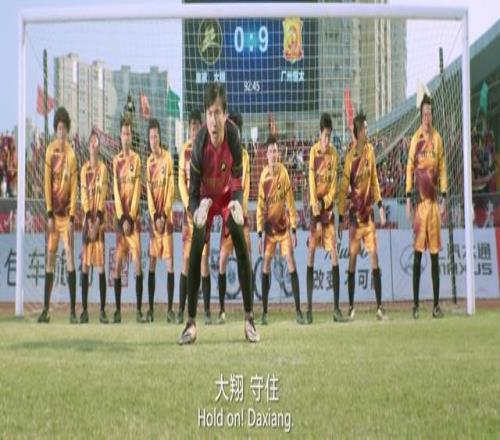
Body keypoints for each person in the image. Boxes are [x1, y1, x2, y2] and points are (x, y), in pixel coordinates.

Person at [177, 83, 259, 344]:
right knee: (195, 247)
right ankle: (190, 323)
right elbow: (191, 194)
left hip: (226, 199)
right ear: (206, 115)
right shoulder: (198, 143)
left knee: (241, 241)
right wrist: (196, 211)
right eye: (209, 113)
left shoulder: (233, 136)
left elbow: (237, 180)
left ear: (225, 115)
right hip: (205, 201)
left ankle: (249, 319)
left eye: (217, 113)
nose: (213, 120)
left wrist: (236, 203)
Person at [338, 111, 388, 321]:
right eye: (365, 128)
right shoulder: (350, 158)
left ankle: (379, 307)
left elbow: (374, 180)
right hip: (354, 219)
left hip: (369, 217)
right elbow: (343, 189)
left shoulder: (370, 152)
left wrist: (380, 205)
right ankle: (351, 307)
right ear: (358, 133)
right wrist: (340, 216)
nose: (368, 131)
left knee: (375, 259)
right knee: (352, 261)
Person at [405, 94, 447, 319]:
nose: (427, 116)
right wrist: (408, 197)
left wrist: (444, 197)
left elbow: (443, 168)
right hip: (420, 207)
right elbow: (409, 168)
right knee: (417, 256)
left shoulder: (438, 139)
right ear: (420, 115)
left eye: (430, 112)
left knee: (434, 257)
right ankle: (415, 305)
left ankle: (436, 306)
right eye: (425, 113)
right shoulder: (415, 139)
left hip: (433, 207)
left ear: (432, 115)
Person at [257, 135, 304, 325]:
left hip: (284, 230)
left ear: (279, 154)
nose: (274, 154)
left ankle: (298, 311)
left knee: (291, 263)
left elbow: (290, 202)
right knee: (266, 265)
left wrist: (294, 229)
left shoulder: (284, 173)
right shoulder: (263, 177)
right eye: (271, 151)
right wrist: (259, 235)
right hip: (269, 232)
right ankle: (264, 313)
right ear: (266, 155)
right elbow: (260, 207)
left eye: (276, 151)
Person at [38, 107, 78, 324]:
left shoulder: (71, 155)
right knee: (50, 258)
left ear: (68, 130)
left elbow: (74, 189)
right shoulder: (49, 151)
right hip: (54, 217)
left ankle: (72, 312)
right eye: (59, 128)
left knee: (70, 256)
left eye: (64, 129)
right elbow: (46, 184)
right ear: (55, 130)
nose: (61, 132)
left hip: (66, 218)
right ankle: (45, 310)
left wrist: (72, 218)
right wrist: (49, 213)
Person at [306, 113, 343, 324]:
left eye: (330, 136)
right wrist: (315, 204)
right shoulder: (313, 152)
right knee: (311, 253)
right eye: (325, 136)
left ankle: (336, 309)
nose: (327, 140)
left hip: (328, 210)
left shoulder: (334, 154)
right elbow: (311, 180)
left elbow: (334, 186)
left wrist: (325, 202)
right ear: (319, 134)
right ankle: (309, 309)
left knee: (334, 254)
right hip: (315, 210)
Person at [216, 112, 252, 324]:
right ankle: (221, 309)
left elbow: (244, 188)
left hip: (241, 217)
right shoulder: (222, 155)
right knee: (222, 261)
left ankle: (249, 311)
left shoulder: (245, 157)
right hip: (227, 217)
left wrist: (239, 211)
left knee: (246, 260)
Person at [177, 109, 211, 324]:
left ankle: (206, 311)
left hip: (202, 213)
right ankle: (180, 310)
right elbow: (181, 180)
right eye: (192, 127)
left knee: (204, 262)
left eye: (197, 127)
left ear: (201, 128)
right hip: (189, 212)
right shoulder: (185, 150)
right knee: (186, 260)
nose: (194, 130)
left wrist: (204, 205)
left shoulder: (207, 149)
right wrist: (188, 202)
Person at [112, 116, 144, 323]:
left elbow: (137, 191)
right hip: (120, 221)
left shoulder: (137, 160)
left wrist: (130, 217)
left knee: (137, 263)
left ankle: (139, 310)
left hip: (133, 221)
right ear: (120, 136)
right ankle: (117, 311)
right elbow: (116, 191)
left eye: (129, 133)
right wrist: (121, 217)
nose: (126, 137)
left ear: (132, 137)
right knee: (117, 265)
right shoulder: (116, 161)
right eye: (124, 133)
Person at [145, 118, 175, 323]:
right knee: (152, 261)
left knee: (170, 262)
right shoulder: (148, 163)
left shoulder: (167, 159)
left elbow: (170, 189)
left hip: (167, 218)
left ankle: (170, 310)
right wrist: (155, 215)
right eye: (151, 137)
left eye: (156, 136)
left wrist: (163, 214)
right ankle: (150, 309)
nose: (153, 140)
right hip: (154, 220)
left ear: (160, 138)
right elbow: (148, 192)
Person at [80, 130, 109, 324]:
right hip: (87, 222)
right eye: (90, 140)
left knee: (100, 266)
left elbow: (103, 195)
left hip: (99, 223)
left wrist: (97, 222)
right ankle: (84, 310)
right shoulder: (83, 170)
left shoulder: (103, 169)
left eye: (95, 141)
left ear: (98, 146)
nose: (93, 143)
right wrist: (89, 221)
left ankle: (102, 311)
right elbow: (83, 197)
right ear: (88, 146)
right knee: (85, 265)